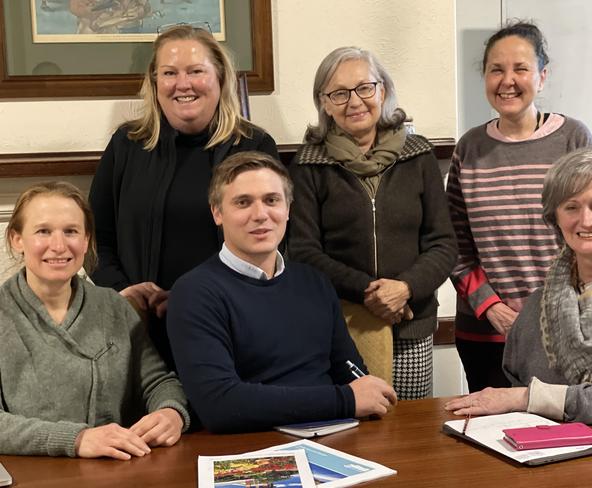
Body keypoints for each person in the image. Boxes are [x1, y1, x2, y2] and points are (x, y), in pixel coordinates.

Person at [89, 24, 278, 369]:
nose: (183, 84)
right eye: (169, 73)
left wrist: (195, 298)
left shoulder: (253, 146)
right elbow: (95, 236)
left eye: (196, 71)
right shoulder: (126, 145)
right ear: (155, 83)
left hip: (228, 328)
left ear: (220, 78)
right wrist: (122, 292)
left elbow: (271, 244)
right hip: (138, 331)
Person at [167, 151, 397, 433]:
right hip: (250, 447)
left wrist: (363, 392)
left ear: (288, 209)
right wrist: (345, 400)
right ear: (217, 212)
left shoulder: (314, 282)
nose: (260, 215)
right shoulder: (194, 293)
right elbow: (220, 405)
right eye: (243, 202)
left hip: (338, 435)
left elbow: (349, 371)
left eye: (271, 200)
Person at [445, 146, 592, 450]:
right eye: (571, 207)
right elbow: (516, 378)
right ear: (555, 217)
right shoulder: (540, 303)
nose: (586, 220)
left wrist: (530, 398)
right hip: (551, 457)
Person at [288, 46, 457, 400]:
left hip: (412, 321)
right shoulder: (308, 165)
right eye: (339, 93)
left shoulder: (419, 155)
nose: (355, 101)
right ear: (324, 103)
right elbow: (303, 251)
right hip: (342, 328)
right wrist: (371, 292)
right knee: (352, 434)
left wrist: (405, 289)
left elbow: (443, 243)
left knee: (410, 435)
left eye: (365, 87)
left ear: (382, 90)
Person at [446, 21, 592, 392]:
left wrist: (551, 310)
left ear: (541, 76)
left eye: (520, 68)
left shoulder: (572, 138)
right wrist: (490, 306)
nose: (507, 80)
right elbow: (454, 244)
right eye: (496, 69)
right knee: (488, 440)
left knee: (561, 439)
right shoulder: (469, 148)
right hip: (486, 332)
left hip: (561, 329)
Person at [0, 182, 190, 459]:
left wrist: (171, 411)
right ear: (17, 239)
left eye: (71, 231)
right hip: (33, 474)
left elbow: (157, 381)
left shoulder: (114, 306)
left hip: (119, 468)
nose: (58, 245)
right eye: (43, 231)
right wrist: (76, 439)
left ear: (86, 240)